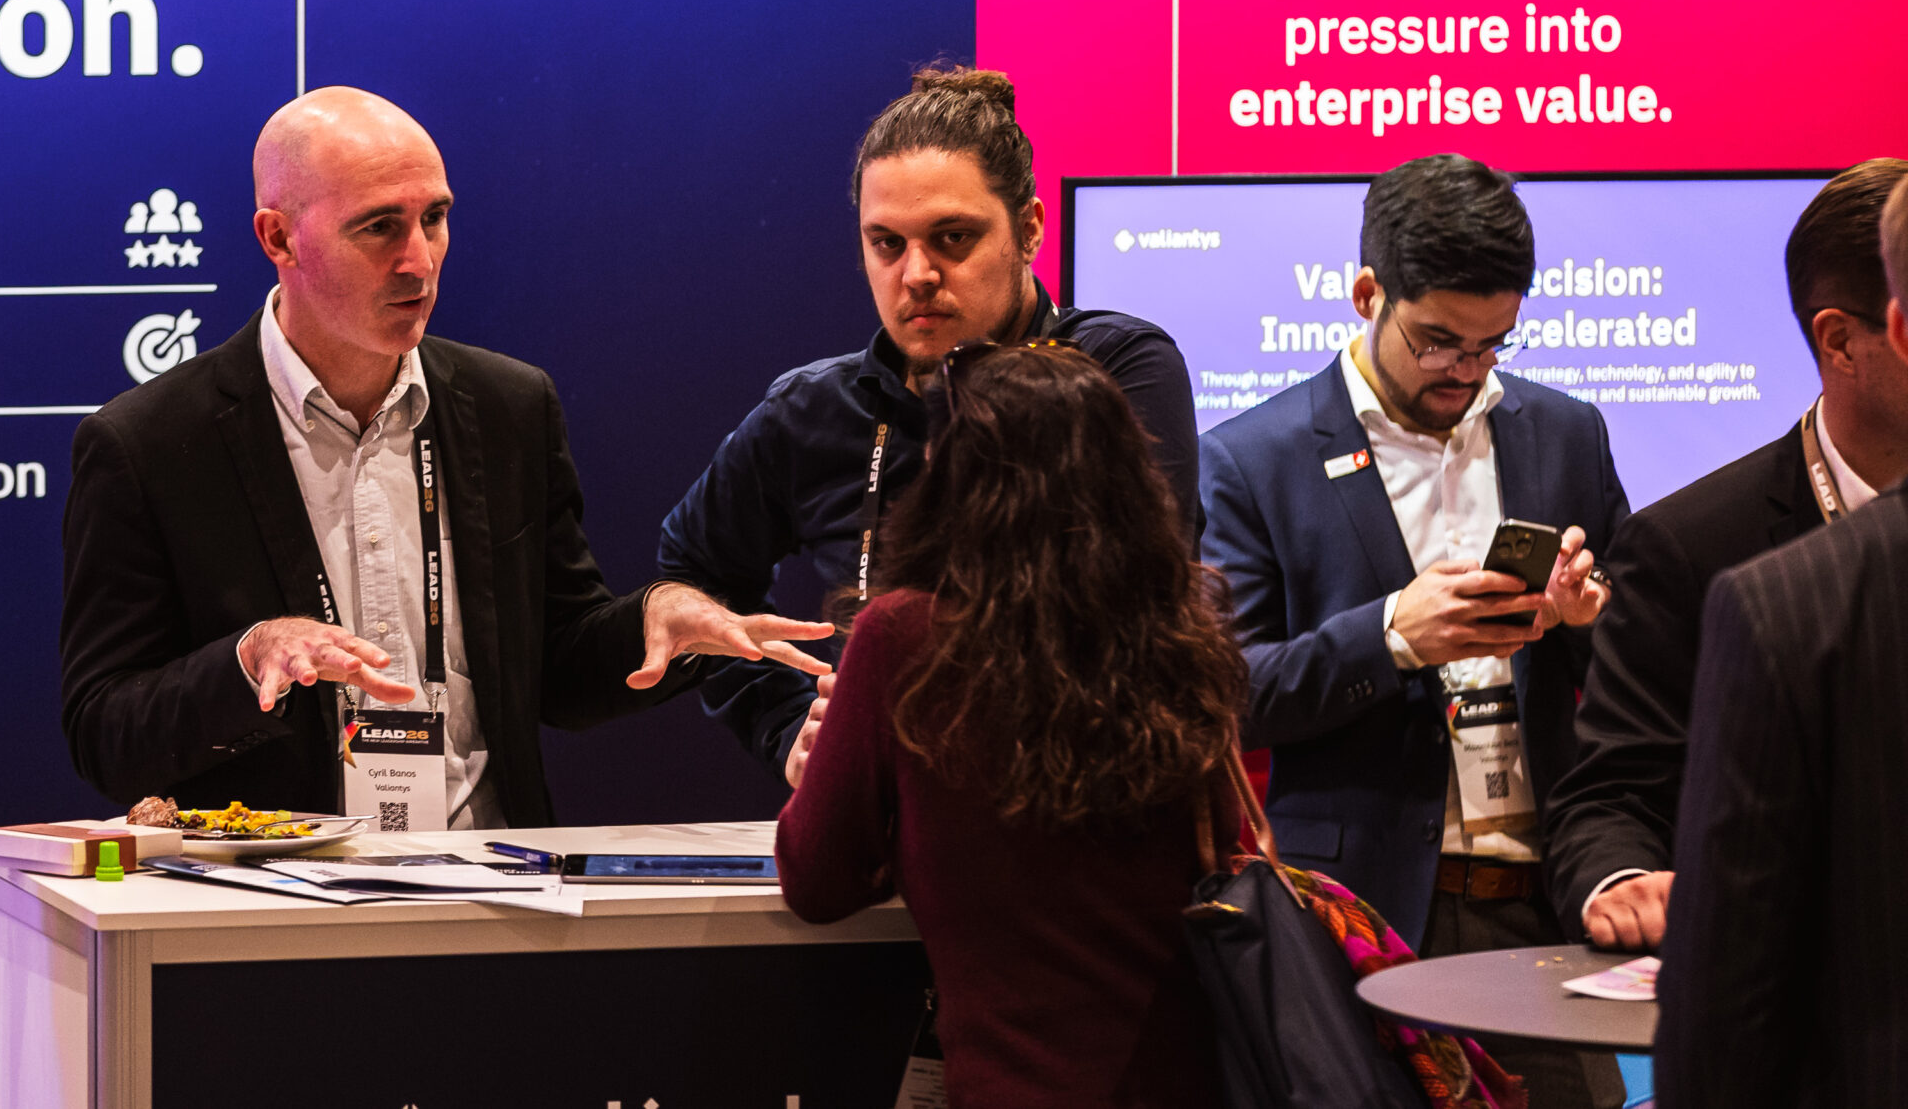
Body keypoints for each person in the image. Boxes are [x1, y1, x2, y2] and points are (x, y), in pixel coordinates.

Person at [59, 87, 830, 827]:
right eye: (379, 227)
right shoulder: (150, 443)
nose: (419, 261)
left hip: (485, 880)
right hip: (272, 898)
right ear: (278, 238)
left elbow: (559, 671)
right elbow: (103, 730)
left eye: (434, 218)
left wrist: (655, 620)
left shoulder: (509, 406)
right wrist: (248, 657)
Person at [1199, 153, 1623, 1109]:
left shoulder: (1566, 432)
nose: (1465, 371)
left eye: (1491, 345)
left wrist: (1588, 617)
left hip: (1543, 914)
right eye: (1438, 343)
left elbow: (1640, 667)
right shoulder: (1250, 459)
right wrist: (1393, 633)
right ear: (1367, 294)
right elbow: (1231, 693)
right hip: (1366, 917)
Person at [657, 66, 1200, 787]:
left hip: (1082, 800)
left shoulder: (1114, 367)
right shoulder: (814, 409)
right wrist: (786, 729)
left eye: (953, 237)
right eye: (887, 243)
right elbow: (693, 574)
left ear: (1029, 229)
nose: (917, 273)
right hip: (884, 812)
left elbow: (1136, 604)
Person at [778, 342, 1242, 1109]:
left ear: (952, 474)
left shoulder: (904, 637)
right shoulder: (1180, 638)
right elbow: (1221, 852)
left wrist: (862, 795)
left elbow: (816, 880)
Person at [1547, 157, 1908, 949]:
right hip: (1812, 993)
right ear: (1842, 341)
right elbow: (1612, 795)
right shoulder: (1693, 548)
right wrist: (1624, 883)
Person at [1653, 173, 1908, 1108]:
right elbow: (1623, 780)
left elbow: (1722, 1016)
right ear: (1840, 339)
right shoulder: (1698, 551)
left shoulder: (1780, 604)